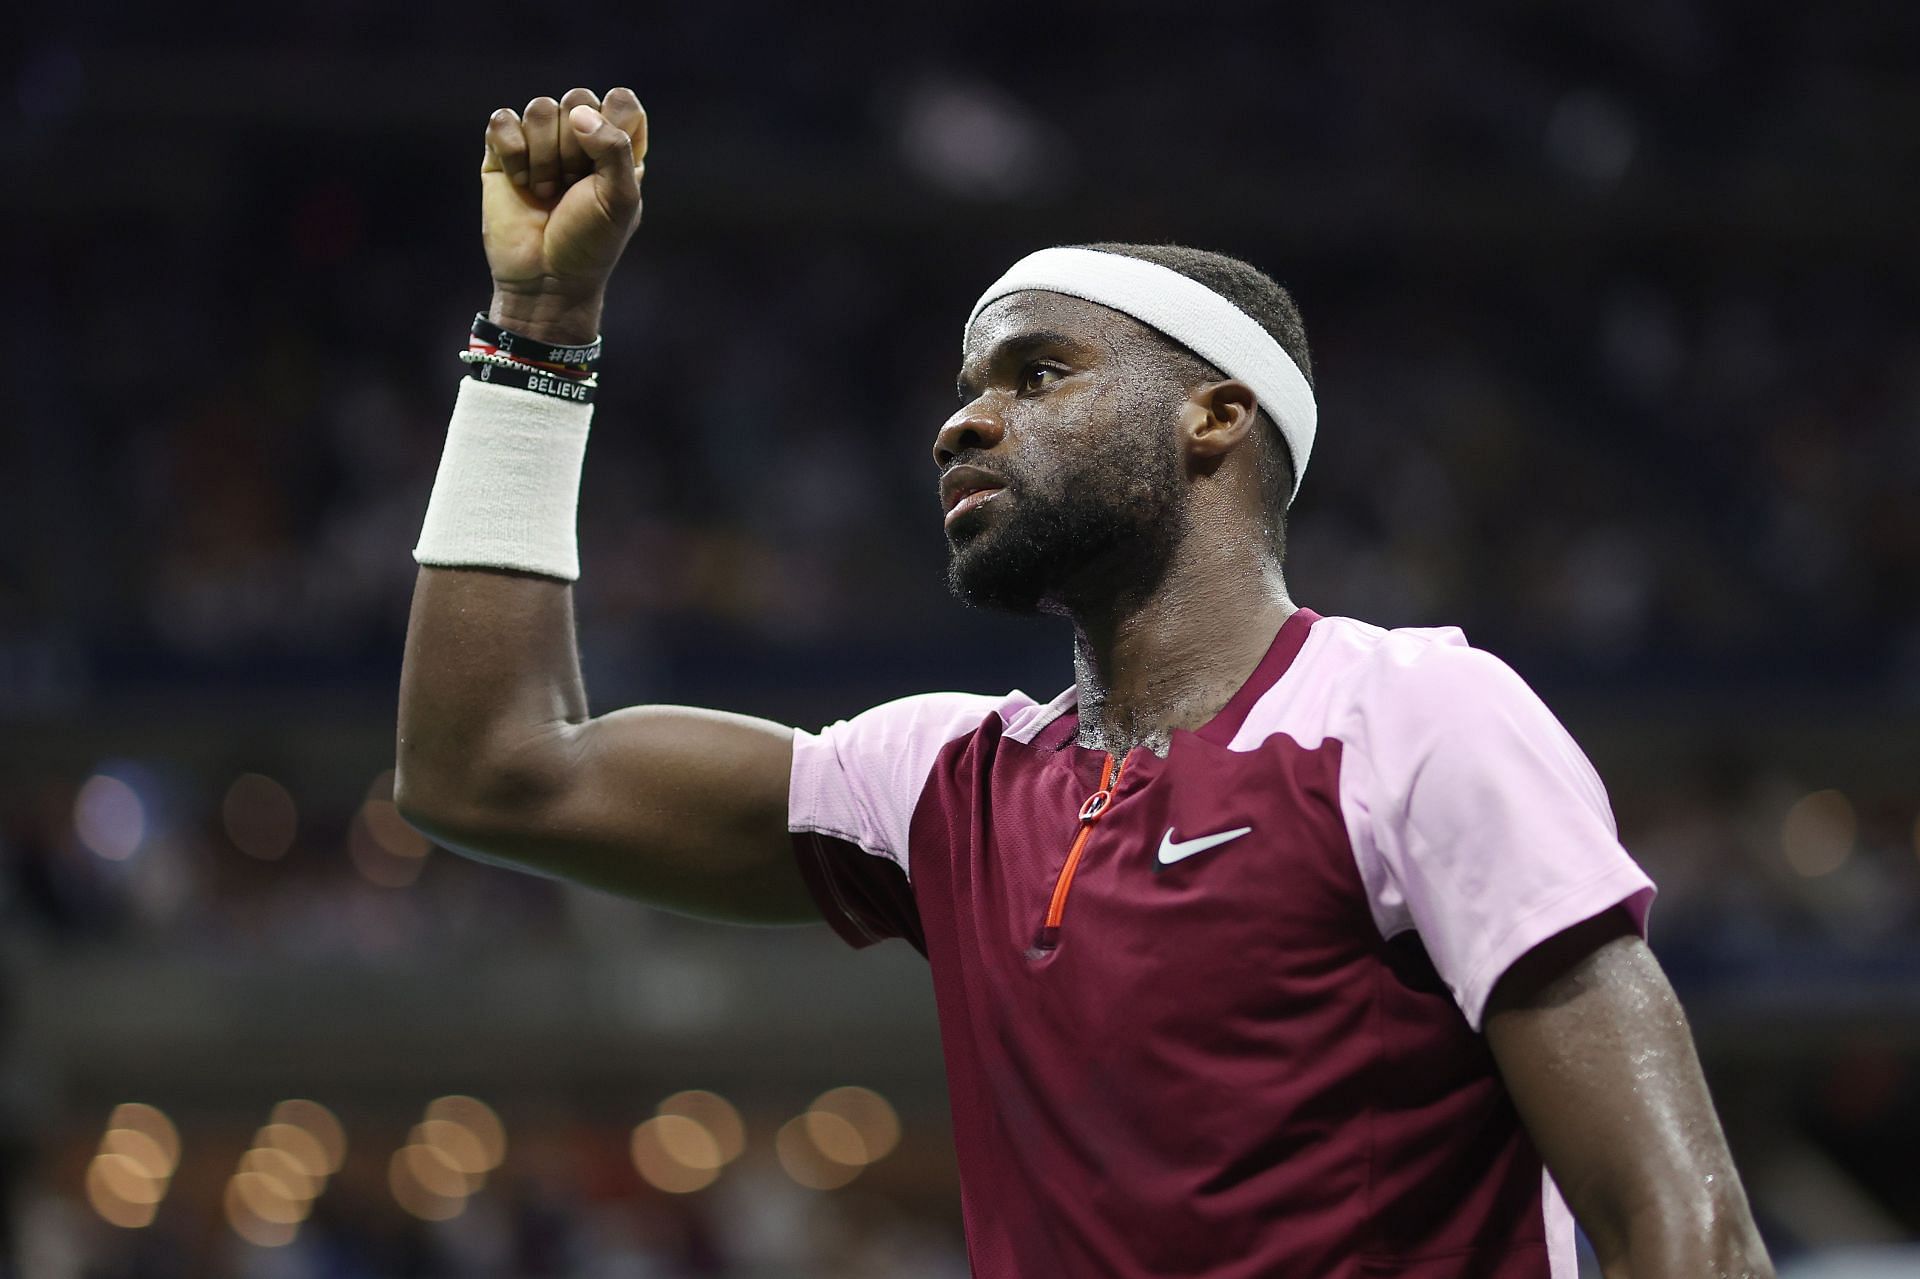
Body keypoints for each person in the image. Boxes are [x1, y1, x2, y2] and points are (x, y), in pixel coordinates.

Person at [396, 86, 1775, 1278]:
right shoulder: (946, 786)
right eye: (963, 385)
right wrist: (539, 319)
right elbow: (492, 771)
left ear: (1216, 415)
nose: (962, 419)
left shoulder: (1410, 718)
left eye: (1036, 373)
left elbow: (1687, 1230)